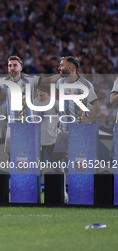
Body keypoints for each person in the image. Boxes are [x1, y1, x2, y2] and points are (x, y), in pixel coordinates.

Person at [53, 56, 100, 203]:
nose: (59, 68)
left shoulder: (85, 84)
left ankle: (82, 194)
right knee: (57, 162)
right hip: (64, 128)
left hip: (79, 129)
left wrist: (88, 119)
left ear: (70, 68)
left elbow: (96, 106)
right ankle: (64, 196)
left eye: (61, 65)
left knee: (79, 163)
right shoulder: (60, 82)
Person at [33, 89, 59, 162]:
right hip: (36, 141)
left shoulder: (54, 103)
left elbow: (65, 116)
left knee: (56, 166)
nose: (40, 89)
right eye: (38, 87)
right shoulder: (32, 103)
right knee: (37, 169)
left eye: (42, 87)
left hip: (52, 140)